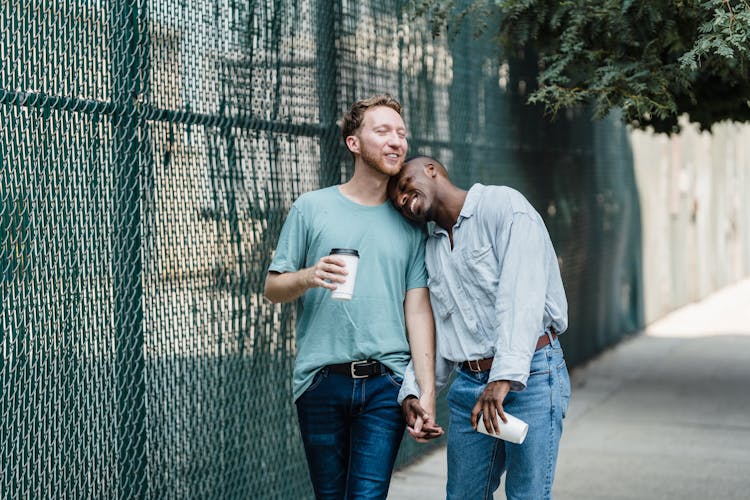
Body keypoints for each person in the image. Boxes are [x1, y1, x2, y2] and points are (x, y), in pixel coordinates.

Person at [264, 95, 442, 499]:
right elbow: (273, 288)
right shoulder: (311, 208)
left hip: (386, 384)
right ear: (354, 143)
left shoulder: (411, 225)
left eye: (401, 133)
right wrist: (309, 276)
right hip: (320, 382)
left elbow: (417, 312)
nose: (396, 141)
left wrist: (425, 391)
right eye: (383, 131)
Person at [388, 155, 571, 500]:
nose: (401, 198)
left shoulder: (503, 206)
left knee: (527, 496)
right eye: (396, 200)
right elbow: (446, 333)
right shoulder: (433, 249)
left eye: (403, 185)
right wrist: (413, 392)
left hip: (532, 377)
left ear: (431, 169)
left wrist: (502, 379)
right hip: (470, 385)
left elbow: (522, 299)